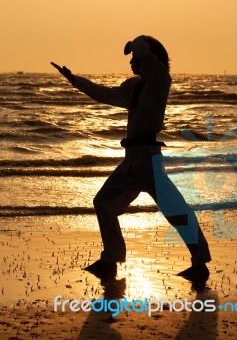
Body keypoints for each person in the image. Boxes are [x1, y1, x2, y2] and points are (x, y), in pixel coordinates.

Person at [51, 35, 211, 281]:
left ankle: (199, 263)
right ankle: (110, 259)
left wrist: (136, 44)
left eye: (135, 57)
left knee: (177, 212)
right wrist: (76, 81)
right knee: (103, 203)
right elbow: (106, 94)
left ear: (149, 57)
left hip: (149, 161)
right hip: (131, 163)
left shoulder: (160, 80)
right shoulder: (134, 87)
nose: (132, 62)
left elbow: (147, 55)